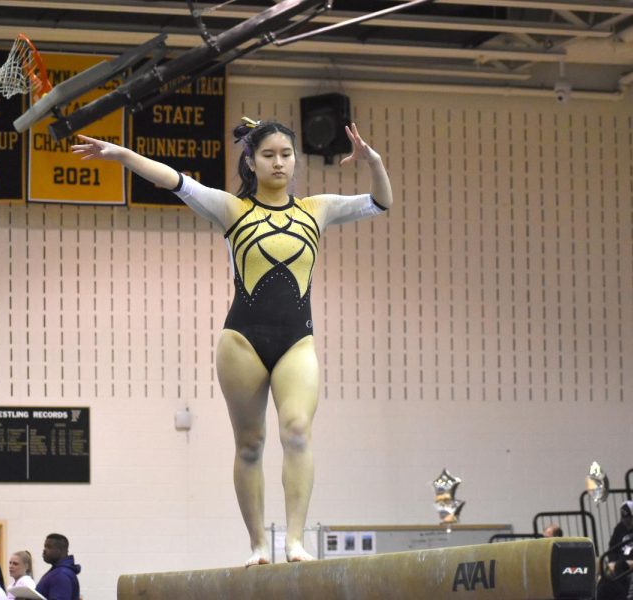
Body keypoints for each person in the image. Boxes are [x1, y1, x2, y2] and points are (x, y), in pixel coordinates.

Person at [73, 117, 393, 567]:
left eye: (286, 154)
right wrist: (123, 156)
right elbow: (174, 180)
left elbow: (381, 202)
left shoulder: (317, 209)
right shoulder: (231, 209)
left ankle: (296, 541)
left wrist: (374, 162)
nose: (278, 162)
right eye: (268, 155)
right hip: (242, 340)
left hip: (296, 341)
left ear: (295, 160)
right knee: (250, 444)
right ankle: (259, 544)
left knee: (298, 431)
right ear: (251, 160)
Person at [35, 534, 81, 600]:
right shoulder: (58, 572)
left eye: (49, 547)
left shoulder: (61, 575)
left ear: (60, 551)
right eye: (45, 547)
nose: (44, 550)